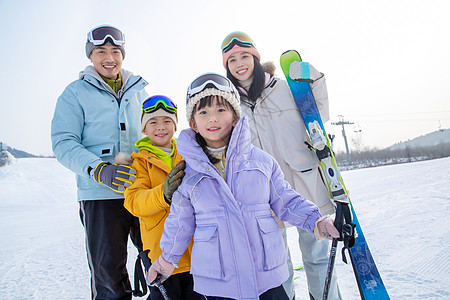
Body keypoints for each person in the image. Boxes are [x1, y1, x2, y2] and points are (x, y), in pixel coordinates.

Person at [146, 73, 339, 300]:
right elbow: (180, 223)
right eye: (203, 112)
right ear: (193, 124)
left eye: (221, 110)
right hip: (219, 283)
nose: (212, 119)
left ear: (235, 117)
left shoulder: (261, 162)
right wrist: (166, 259)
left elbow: (286, 200)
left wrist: (316, 220)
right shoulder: (187, 174)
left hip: (267, 278)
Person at [220, 31, 342, 300]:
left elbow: (317, 114)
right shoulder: (230, 104)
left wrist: (316, 78)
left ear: (255, 57)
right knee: (277, 265)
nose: (240, 64)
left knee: (318, 257)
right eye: (232, 60)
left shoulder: (285, 88)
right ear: (226, 67)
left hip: (305, 184)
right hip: (263, 194)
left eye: (244, 56)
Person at [51, 24, 149, 299]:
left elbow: (155, 134)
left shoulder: (139, 90)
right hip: (100, 195)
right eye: (101, 51)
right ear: (90, 56)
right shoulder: (75, 94)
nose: (109, 57)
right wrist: (98, 169)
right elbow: (63, 142)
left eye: (115, 51)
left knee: (161, 263)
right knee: (108, 275)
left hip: (142, 191)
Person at [123, 95, 203, 300]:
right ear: (144, 129)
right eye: (153, 122)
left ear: (175, 125)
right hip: (160, 253)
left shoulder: (188, 153)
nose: (161, 127)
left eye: (167, 121)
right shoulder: (139, 162)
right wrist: (163, 194)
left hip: (195, 251)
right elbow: (134, 202)